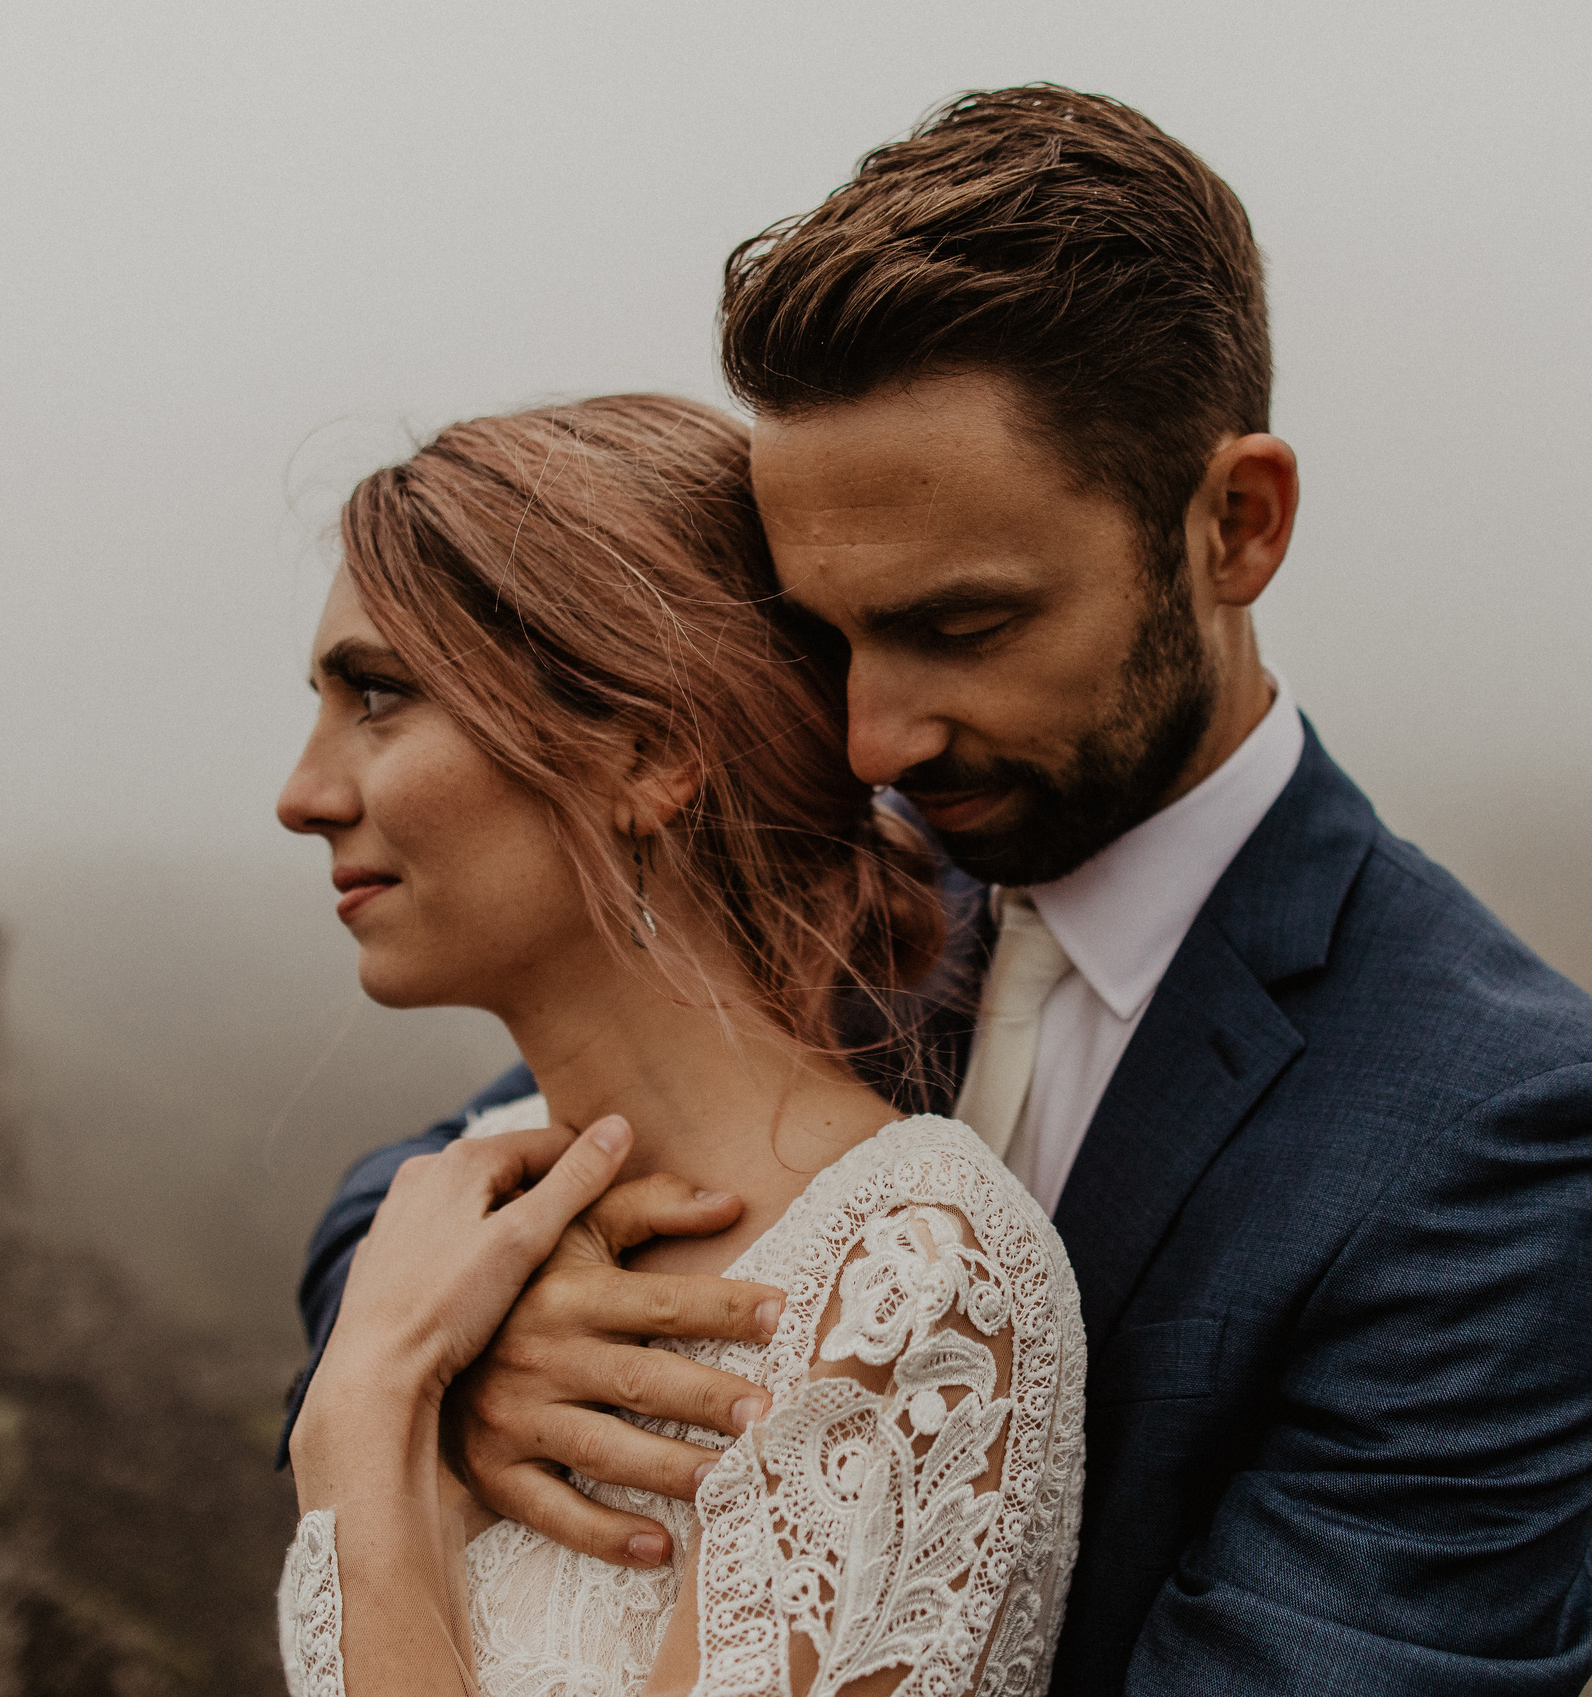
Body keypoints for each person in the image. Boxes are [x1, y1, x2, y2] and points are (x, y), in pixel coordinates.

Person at [291, 87, 1592, 1695]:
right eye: (829, 639)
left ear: (1236, 526)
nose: (872, 736)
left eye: (961, 629)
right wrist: (486, 1356)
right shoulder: (836, 889)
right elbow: (436, 1180)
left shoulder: (1506, 1136)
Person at [271, 394, 1088, 1696]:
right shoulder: (455, 1214)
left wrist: (363, 1430)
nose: (301, 795)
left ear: (646, 753)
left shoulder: (905, 1274)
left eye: (378, 695)